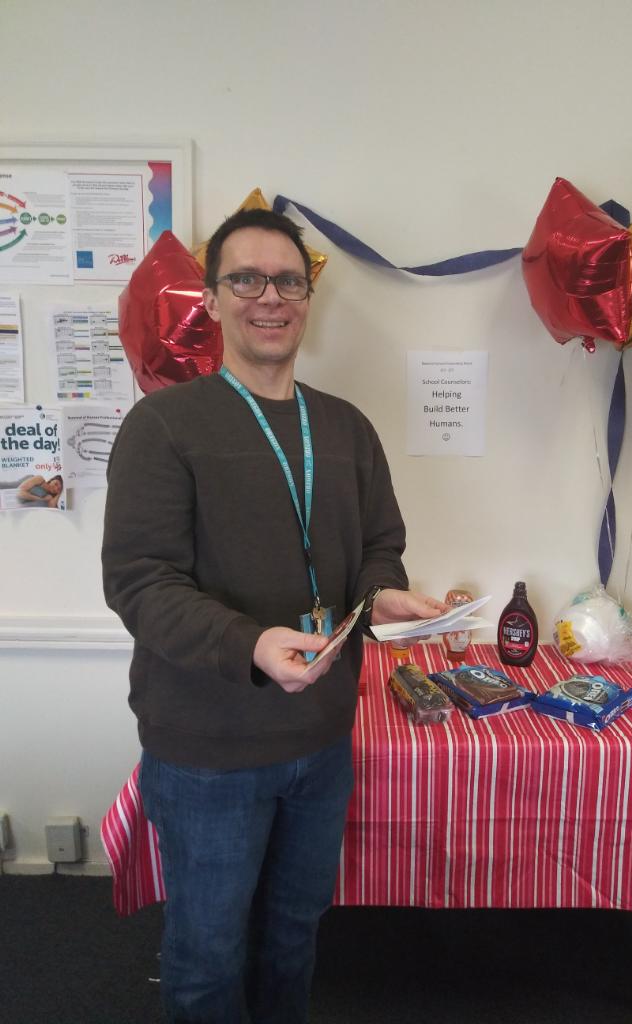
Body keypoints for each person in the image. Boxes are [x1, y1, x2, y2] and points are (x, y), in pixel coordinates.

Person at [102, 207, 446, 1024]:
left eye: (289, 281)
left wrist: (383, 592)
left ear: (307, 298)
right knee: (207, 955)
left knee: (294, 934)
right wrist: (250, 644)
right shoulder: (162, 426)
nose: (270, 297)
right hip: (207, 752)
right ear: (212, 299)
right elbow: (140, 583)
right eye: (247, 279)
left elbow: (379, 547)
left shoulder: (347, 428)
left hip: (321, 742)